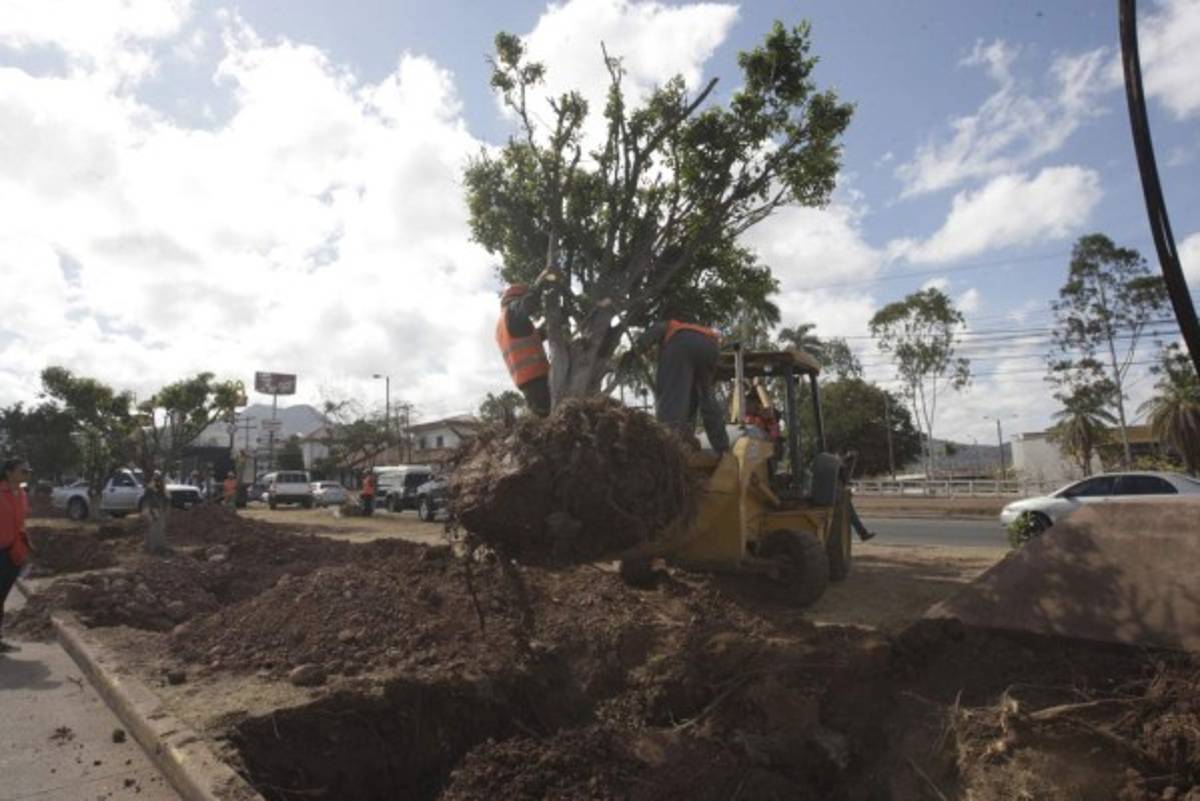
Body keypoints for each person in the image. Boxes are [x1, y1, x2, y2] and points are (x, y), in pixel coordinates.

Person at [635, 319, 729, 454]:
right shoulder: (692, 330)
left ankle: (669, 448)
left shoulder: (670, 327)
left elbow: (656, 329)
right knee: (706, 397)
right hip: (710, 347)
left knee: (672, 398)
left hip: (682, 346)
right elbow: (689, 402)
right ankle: (722, 447)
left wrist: (638, 347)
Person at [496, 284, 551, 417]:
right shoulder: (513, 311)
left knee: (543, 417)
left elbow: (530, 338)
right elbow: (529, 303)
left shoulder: (502, 325)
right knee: (550, 416)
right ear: (517, 299)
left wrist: (549, 328)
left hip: (525, 380)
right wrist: (542, 283)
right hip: (537, 378)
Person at [0, 457, 32, 654]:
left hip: (15, 552)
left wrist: (27, 545)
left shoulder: (21, 494)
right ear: (9, 472)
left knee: (1, 597)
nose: (26, 474)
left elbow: (21, 522)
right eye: (23, 470)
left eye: (28, 471)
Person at [143, 471, 170, 554]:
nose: (157, 481)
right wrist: (150, 512)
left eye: (158, 479)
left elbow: (167, 499)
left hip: (160, 511)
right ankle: (153, 548)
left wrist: (165, 511)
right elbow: (147, 501)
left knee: (159, 529)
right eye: (156, 479)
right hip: (154, 510)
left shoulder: (162, 489)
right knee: (154, 529)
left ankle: (160, 547)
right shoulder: (150, 489)